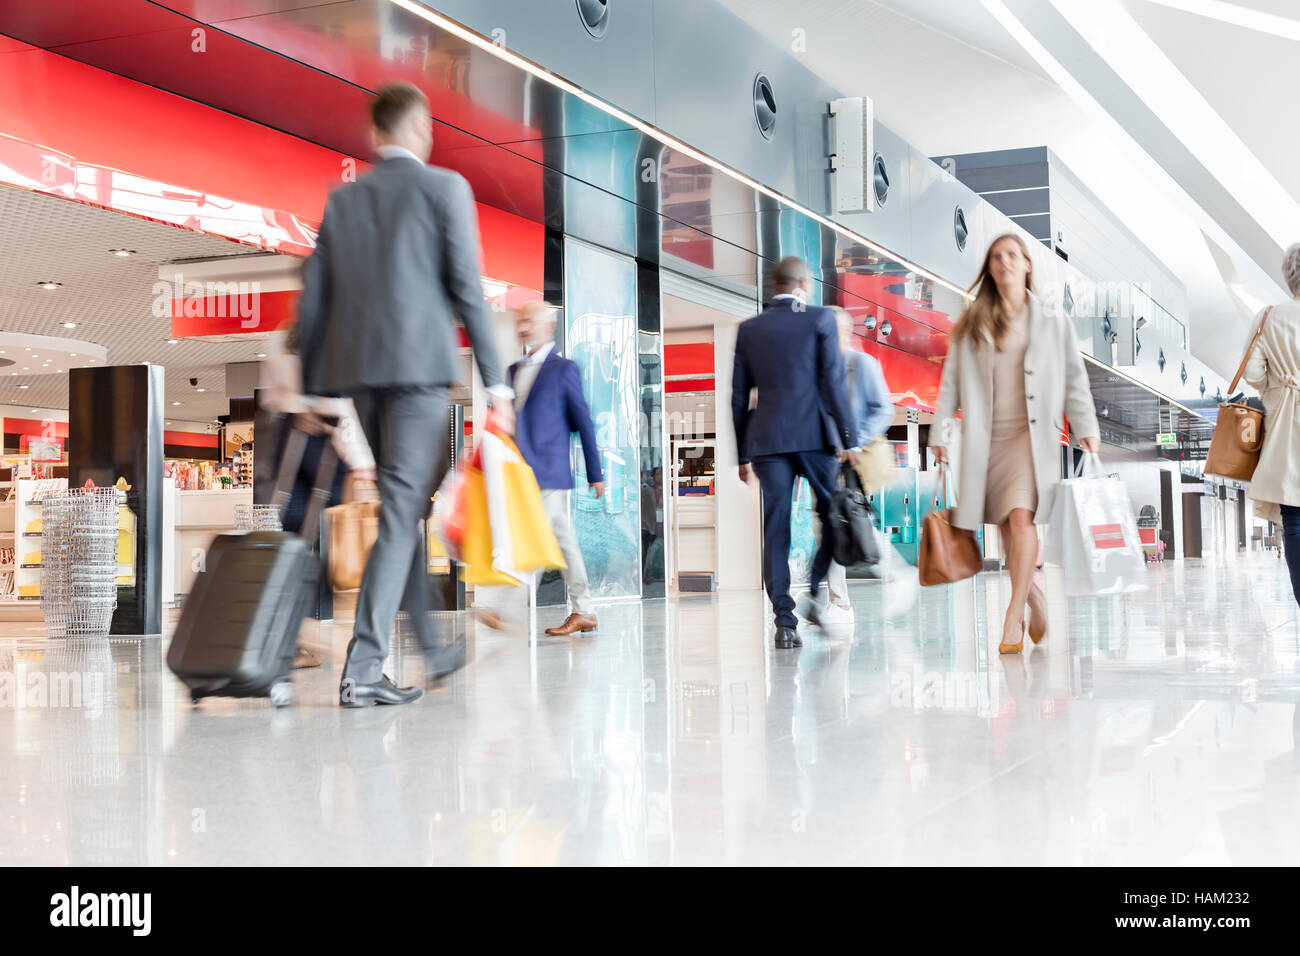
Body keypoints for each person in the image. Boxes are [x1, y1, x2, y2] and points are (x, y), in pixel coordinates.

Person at [297, 82, 514, 707]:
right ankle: (364, 669)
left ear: (376, 135)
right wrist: (497, 383)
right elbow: (468, 290)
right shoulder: (445, 187)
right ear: (421, 130)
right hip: (420, 374)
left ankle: (431, 647)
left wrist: (317, 387)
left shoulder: (344, 202)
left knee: (403, 511)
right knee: (399, 514)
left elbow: (315, 298)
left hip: (362, 375)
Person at [930, 233, 1099, 654]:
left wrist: (1086, 428)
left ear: (1027, 264)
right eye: (996, 257)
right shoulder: (972, 322)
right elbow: (950, 382)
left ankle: (1012, 618)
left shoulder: (1052, 319)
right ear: (989, 268)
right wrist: (939, 432)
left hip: (1030, 435)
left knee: (1021, 520)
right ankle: (1036, 601)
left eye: (1012, 255)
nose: (1004, 262)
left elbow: (1075, 377)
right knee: (1005, 529)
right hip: (987, 440)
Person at [732, 257, 857, 649]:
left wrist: (742, 453)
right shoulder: (819, 319)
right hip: (814, 436)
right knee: (834, 517)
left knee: (777, 529)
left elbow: (738, 395)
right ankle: (815, 592)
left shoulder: (749, 329)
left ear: (773, 284)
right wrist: (849, 438)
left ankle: (784, 622)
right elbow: (835, 380)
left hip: (767, 442)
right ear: (805, 282)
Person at [475, 301, 604, 637]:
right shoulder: (513, 371)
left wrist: (596, 472)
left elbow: (584, 423)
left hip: (549, 471)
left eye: (528, 321)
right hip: (519, 471)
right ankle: (585, 610)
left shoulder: (564, 370)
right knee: (562, 540)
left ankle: (498, 605)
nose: (522, 328)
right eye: (519, 321)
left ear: (548, 326)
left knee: (533, 537)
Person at [259, 325, 378, 669]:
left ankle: (301, 633)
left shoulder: (334, 352)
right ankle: (299, 635)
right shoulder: (289, 346)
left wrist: (302, 402)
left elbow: (342, 404)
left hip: (323, 453)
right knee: (296, 541)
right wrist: (301, 403)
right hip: (298, 454)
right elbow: (274, 398)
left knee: (315, 545)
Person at [818, 307, 897, 624]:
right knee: (832, 526)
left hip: (858, 458)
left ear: (846, 332)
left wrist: (854, 440)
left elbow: (884, 411)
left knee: (851, 521)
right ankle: (840, 601)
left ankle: (893, 574)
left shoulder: (862, 364)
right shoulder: (821, 370)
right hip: (828, 461)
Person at [1242, 242, 1300, 603]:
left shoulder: (1269, 317)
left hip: (1286, 434)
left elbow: (1251, 372)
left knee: (1294, 521)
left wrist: (1277, 389)